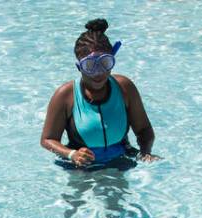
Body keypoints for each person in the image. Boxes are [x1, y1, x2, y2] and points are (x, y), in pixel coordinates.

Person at [40, 19, 159, 169]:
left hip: (121, 160)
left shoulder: (125, 88)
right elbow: (47, 139)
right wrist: (71, 154)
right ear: (79, 67)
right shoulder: (66, 95)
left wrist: (145, 153)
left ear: (112, 60)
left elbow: (144, 130)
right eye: (90, 65)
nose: (98, 72)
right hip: (80, 167)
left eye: (105, 63)